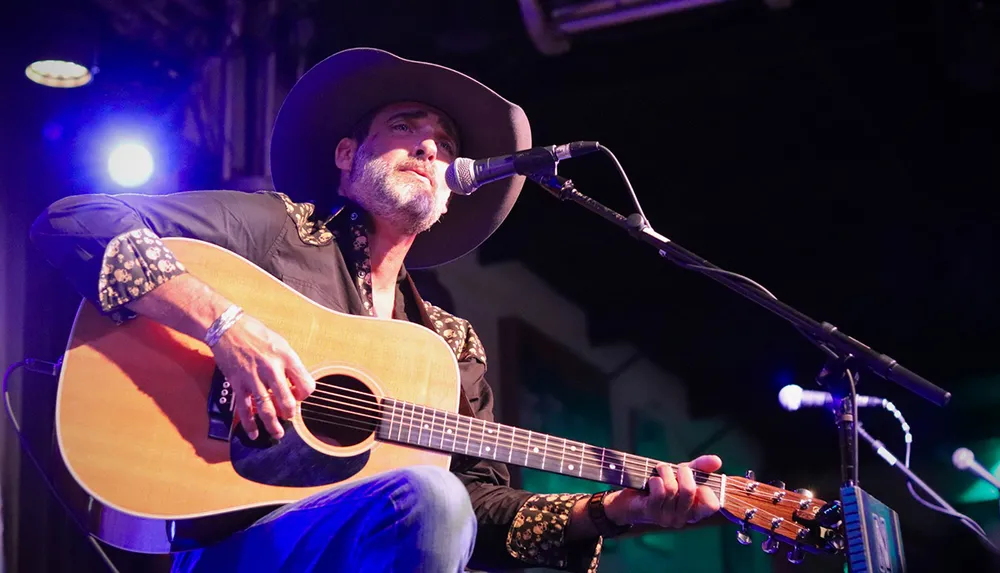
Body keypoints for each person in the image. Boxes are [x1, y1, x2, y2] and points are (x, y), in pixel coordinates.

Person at [30, 47, 724, 572]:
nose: (430, 147)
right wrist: (225, 325)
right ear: (346, 156)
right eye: (404, 126)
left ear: (451, 192)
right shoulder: (278, 232)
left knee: (442, 501)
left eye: (447, 145)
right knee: (432, 497)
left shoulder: (449, 344)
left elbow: (476, 513)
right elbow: (75, 221)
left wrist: (608, 510)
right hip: (235, 545)